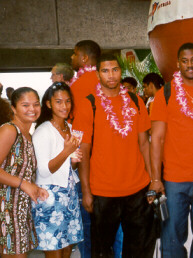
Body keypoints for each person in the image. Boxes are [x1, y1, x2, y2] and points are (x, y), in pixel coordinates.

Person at [72, 54, 156, 257]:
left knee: (139, 247)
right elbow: (83, 150)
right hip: (103, 190)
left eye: (115, 70)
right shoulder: (88, 104)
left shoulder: (136, 101)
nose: (111, 75)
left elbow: (144, 144)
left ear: (121, 72)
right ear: (98, 74)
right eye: (105, 70)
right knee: (102, 249)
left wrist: (153, 180)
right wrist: (86, 191)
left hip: (137, 188)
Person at [150, 42, 193, 257]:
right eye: (185, 60)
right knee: (171, 239)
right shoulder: (165, 94)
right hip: (174, 181)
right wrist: (155, 178)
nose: (190, 64)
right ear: (178, 63)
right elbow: (157, 139)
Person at [32, 82, 84, 257]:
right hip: (50, 197)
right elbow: (44, 171)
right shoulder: (43, 131)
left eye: (68, 101)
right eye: (59, 102)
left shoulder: (69, 128)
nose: (64, 106)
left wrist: (75, 160)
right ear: (49, 104)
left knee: (68, 248)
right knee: (55, 252)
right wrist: (67, 151)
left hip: (69, 195)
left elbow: (69, 167)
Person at [0, 87, 48, 256]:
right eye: (25, 105)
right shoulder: (10, 130)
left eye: (36, 104)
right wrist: (24, 184)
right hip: (6, 208)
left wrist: (34, 186)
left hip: (20, 208)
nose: (32, 109)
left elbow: (20, 170)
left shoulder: (28, 135)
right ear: (13, 108)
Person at [69, 39, 100, 257]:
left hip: (85, 164)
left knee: (87, 224)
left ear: (84, 58)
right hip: (109, 164)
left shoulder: (78, 86)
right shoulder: (107, 82)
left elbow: (74, 132)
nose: (71, 57)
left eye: (74, 53)